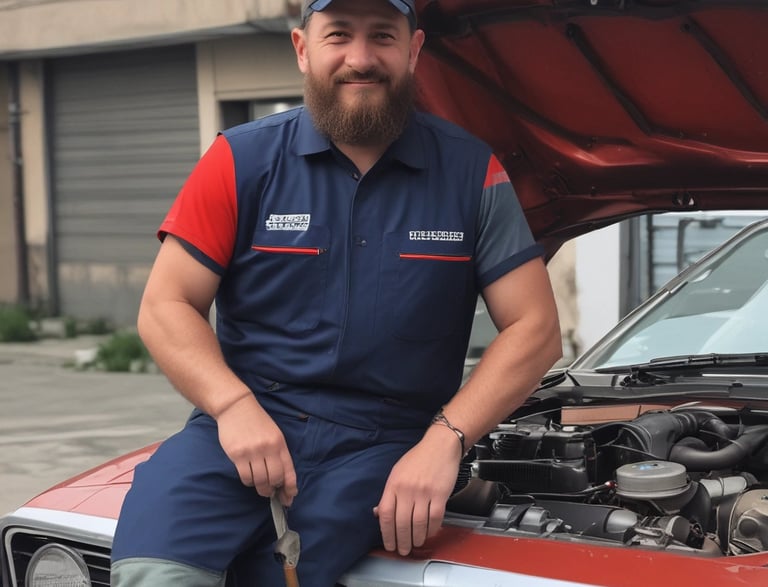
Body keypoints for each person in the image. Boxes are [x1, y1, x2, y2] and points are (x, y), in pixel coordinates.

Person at [110, 0, 562, 585]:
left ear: (414, 50)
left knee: (280, 577)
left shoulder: (473, 173)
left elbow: (536, 327)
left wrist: (445, 440)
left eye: (382, 36)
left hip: (385, 444)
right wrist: (231, 405)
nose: (361, 57)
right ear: (302, 48)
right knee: (156, 571)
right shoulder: (239, 161)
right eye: (339, 35)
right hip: (244, 424)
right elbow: (165, 305)